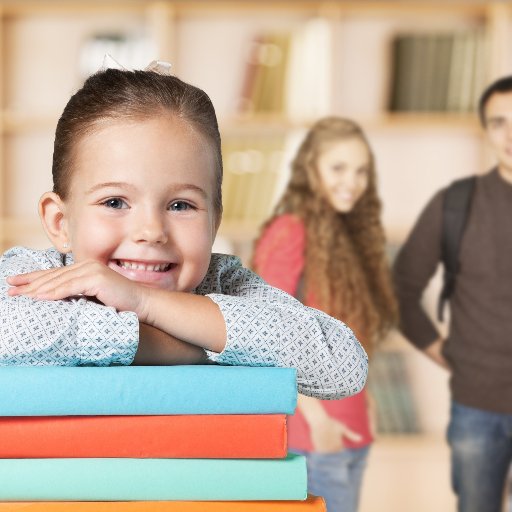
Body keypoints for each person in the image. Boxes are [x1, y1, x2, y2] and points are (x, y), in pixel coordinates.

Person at [0, 66, 368, 402]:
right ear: (60, 222)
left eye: (180, 206)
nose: (151, 232)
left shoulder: (222, 283)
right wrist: (185, 345)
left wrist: (145, 303)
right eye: (114, 202)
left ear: (214, 223)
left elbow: (343, 366)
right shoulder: (38, 273)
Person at [252, 117, 398, 512]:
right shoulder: (290, 231)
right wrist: (318, 421)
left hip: (353, 434)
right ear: (311, 168)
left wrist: (367, 408)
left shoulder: (349, 237)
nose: (351, 181)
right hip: (313, 438)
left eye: (360, 170)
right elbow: (265, 337)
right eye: (338, 167)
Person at [393, 75, 512, 512]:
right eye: (499, 122)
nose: (510, 134)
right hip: (476, 407)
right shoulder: (456, 203)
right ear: (486, 130)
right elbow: (400, 289)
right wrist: (443, 350)